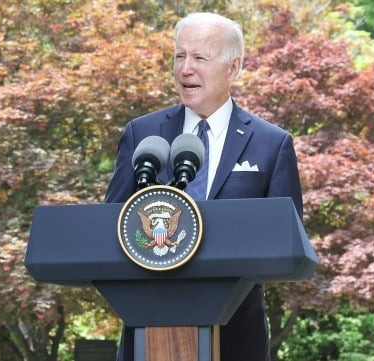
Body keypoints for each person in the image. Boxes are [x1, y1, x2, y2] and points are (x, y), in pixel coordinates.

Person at [105, 12, 303, 361]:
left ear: (233, 68)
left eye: (200, 57)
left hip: (238, 337)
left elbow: (287, 240)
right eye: (180, 56)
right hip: (149, 334)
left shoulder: (271, 144)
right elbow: (109, 228)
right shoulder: (142, 135)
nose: (185, 69)